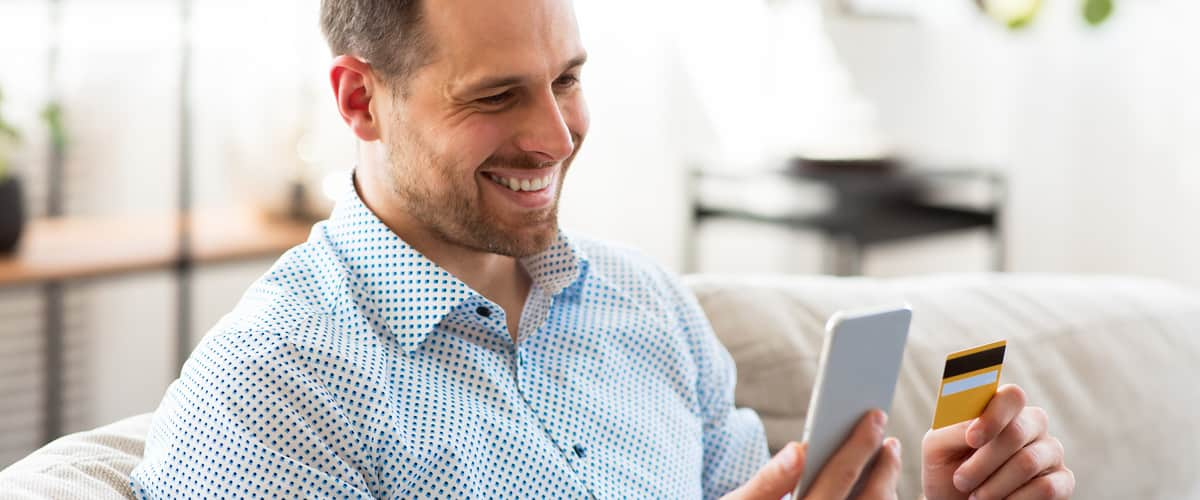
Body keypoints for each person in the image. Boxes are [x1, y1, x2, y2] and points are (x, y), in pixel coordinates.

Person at [130, 0, 1074, 498]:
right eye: (496, 96)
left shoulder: (645, 305)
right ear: (358, 100)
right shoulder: (272, 385)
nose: (555, 135)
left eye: (568, 79)